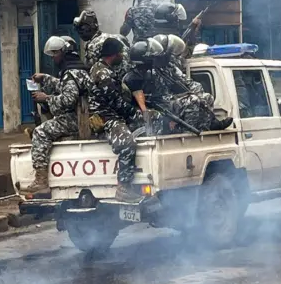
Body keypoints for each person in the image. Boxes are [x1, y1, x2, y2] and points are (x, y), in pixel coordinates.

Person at [22, 36, 92, 194]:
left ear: (64, 52)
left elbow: (68, 100)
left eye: (55, 53)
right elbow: (64, 86)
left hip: (78, 119)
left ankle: (41, 179)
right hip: (84, 117)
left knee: (40, 132)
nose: (53, 57)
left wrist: (46, 98)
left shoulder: (70, 73)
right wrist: (45, 78)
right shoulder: (78, 69)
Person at [123, 37, 232, 134]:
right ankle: (186, 132)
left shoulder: (153, 71)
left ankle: (210, 124)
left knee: (206, 97)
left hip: (164, 101)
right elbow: (140, 103)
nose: (154, 59)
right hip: (158, 106)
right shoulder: (132, 77)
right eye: (152, 57)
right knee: (192, 100)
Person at [89, 38, 145, 202]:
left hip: (111, 114)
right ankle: (124, 187)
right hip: (105, 118)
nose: (122, 55)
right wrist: (135, 115)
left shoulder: (106, 69)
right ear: (113, 54)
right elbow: (117, 103)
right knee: (127, 143)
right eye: (120, 52)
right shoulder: (102, 74)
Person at [120, 0, 188, 42]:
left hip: (139, 49)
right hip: (157, 48)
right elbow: (180, 10)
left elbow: (123, 32)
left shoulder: (131, 11)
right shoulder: (159, 8)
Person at [73, 9, 132, 75]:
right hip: (128, 77)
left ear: (89, 28)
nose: (80, 33)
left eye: (81, 30)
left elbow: (92, 70)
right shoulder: (115, 37)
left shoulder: (93, 44)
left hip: (113, 80)